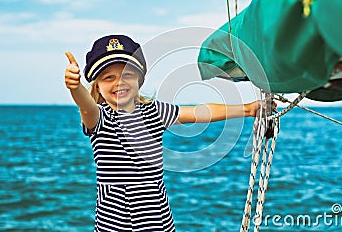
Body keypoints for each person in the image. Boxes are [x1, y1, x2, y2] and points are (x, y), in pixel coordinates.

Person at [64, 34, 261, 232]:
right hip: (114, 223)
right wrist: (76, 87)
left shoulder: (155, 112)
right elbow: (87, 107)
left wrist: (247, 109)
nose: (119, 83)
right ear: (97, 85)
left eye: (128, 75)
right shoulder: (101, 119)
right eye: (109, 78)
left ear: (139, 79)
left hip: (157, 220)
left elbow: (198, 113)